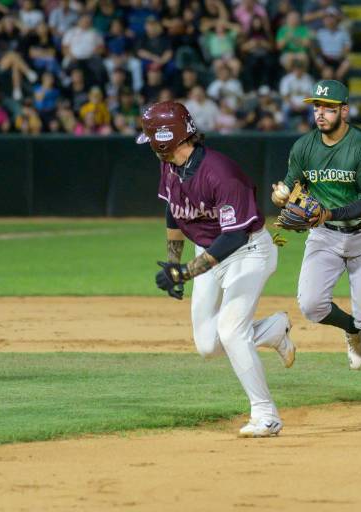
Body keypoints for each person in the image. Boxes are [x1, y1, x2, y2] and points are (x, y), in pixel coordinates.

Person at [136, 101, 296, 437]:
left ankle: (266, 414)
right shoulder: (170, 166)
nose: (149, 145)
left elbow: (234, 236)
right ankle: (272, 330)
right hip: (208, 253)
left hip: (248, 252)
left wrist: (186, 272)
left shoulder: (220, 173)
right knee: (208, 345)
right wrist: (174, 261)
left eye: (151, 139)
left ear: (166, 140)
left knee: (231, 330)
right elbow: (173, 210)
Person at [271, 79, 361, 411]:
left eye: (328, 107)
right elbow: (292, 186)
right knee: (311, 305)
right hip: (324, 234)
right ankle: (352, 330)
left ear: (344, 111)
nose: (320, 113)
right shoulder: (303, 147)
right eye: (316, 107)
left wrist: (329, 212)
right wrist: (283, 196)